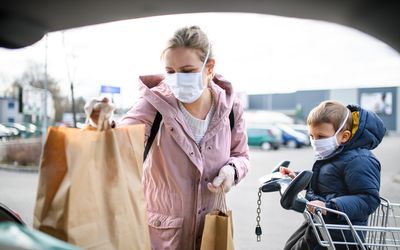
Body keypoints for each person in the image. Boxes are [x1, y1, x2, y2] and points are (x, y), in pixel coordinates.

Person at [86, 26, 250, 249]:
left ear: (209, 67)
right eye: (171, 72)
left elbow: (241, 155)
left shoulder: (231, 108)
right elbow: (117, 143)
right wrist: (99, 123)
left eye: (187, 70)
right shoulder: (153, 105)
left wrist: (233, 170)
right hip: (162, 237)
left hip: (211, 232)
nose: (178, 79)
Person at [281, 100, 386, 250]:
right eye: (312, 136)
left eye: (321, 137)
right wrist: (298, 177)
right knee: (290, 246)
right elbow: (328, 183)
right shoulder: (335, 154)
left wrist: (330, 206)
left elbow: (368, 199)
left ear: (344, 136)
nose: (315, 142)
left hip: (341, 234)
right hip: (323, 224)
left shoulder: (359, 160)